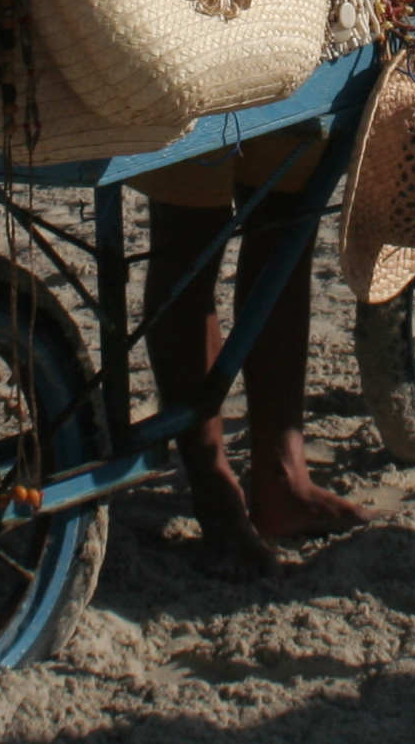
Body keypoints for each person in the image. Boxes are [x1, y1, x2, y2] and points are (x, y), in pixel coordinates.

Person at [133, 132, 367, 576]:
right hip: (184, 79)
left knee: (288, 228)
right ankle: (215, 495)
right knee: (189, 240)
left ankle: (284, 478)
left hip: (287, 68)